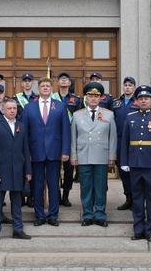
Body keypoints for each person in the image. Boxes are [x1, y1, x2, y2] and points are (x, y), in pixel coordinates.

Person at [120, 85, 151, 242]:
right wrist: (124, 161)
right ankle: (138, 229)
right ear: (136, 101)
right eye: (140, 98)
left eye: (146, 98)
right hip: (135, 164)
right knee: (137, 199)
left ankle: (150, 231)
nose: (143, 101)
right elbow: (124, 141)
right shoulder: (130, 117)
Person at [22, 77, 71, 226]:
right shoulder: (29, 107)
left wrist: (65, 151)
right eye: (42, 86)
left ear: (51, 88)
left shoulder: (60, 106)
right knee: (36, 186)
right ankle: (39, 215)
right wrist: (26, 153)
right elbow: (24, 133)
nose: (45, 88)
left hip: (54, 153)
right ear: (38, 89)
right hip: (35, 153)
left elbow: (66, 131)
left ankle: (53, 215)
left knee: (53, 186)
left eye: (47, 86)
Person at [70, 82, 117, 226]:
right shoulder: (77, 115)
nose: (93, 99)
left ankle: (100, 215)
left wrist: (112, 156)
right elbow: (73, 137)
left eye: (96, 96)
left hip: (101, 156)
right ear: (86, 97)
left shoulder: (108, 114)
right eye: (90, 95)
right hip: (83, 156)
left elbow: (113, 137)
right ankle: (88, 215)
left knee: (100, 187)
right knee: (86, 187)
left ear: (100, 98)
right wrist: (74, 156)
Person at [0, 98, 32, 241]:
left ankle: (18, 229)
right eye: (9, 108)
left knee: (17, 202)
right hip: (0, 170)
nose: (12, 111)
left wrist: (28, 171)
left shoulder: (21, 126)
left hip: (17, 169)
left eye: (14, 108)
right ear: (3, 110)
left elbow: (26, 150)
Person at [52, 72, 82, 207]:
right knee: (55, 169)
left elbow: (80, 119)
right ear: (57, 82)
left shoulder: (76, 100)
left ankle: (66, 196)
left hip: (70, 138)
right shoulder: (52, 98)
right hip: (55, 137)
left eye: (66, 79)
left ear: (70, 83)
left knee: (69, 170)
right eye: (61, 79)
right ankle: (56, 195)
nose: (64, 81)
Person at [112, 76, 137, 210]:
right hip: (119, 141)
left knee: (134, 172)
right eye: (125, 85)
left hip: (134, 142)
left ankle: (136, 199)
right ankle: (128, 198)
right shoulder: (116, 103)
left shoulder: (138, 102)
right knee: (123, 172)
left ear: (134, 87)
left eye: (130, 85)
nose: (127, 87)